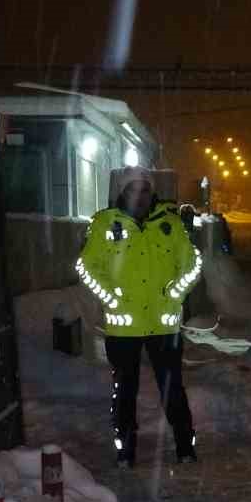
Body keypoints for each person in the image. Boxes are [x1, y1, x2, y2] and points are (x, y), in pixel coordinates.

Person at [78, 167, 204, 467]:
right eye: (133, 189)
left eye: (145, 189)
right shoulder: (104, 224)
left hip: (165, 327)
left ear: (152, 193)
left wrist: (176, 293)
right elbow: (87, 266)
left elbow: (193, 264)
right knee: (124, 391)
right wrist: (111, 298)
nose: (139, 196)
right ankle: (126, 449)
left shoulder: (170, 224)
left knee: (172, 389)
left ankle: (185, 446)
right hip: (124, 330)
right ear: (123, 193)